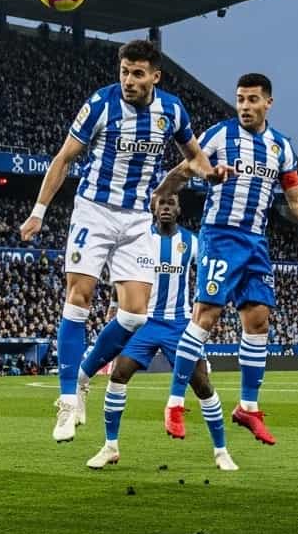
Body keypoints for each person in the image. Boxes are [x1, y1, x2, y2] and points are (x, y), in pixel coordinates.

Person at [19, 39, 230, 443]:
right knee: (78, 298)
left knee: (134, 315)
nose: (128, 81)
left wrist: (210, 174)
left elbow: (193, 155)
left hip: (136, 220)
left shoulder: (172, 110)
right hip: (94, 211)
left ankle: (82, 378)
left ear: (155, 76)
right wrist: (38, 211)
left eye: (137, 74)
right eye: (124, 72)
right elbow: (64, 158)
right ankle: (67, 401)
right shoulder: (101, 104)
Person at [154, 73, 298, 443]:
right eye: (240, 99)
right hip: (220, 236)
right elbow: (186, 169)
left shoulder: (280, 147)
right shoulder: (220, 135)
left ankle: (248, 407)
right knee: (207, 315)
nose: (245, 106)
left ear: (268, 102)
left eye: (252, 99)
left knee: (259, 321)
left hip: (255, 243)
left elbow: (296, 200)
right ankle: (174, 403)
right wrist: (161, 192)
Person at [87, 193, 238, 471]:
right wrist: (114, 305)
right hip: (144, 322)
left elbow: (213, 272)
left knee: (202, 385)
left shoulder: (192, 242)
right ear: (154, 209)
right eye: (161, 204)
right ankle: (110, 446)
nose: (166, 208)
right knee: (118, 375)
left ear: (179, 209)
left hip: (180, 324)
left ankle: (221, 451)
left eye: (171, 204)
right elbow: (124, 274)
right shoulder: (139, 238)